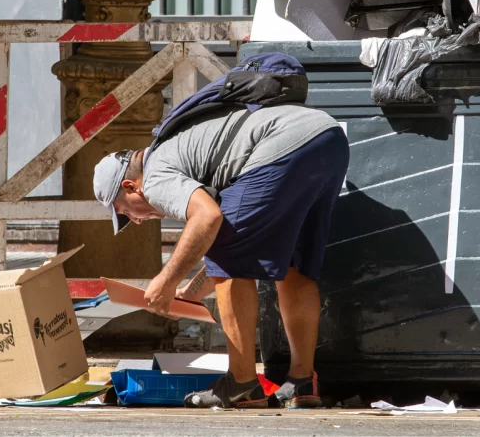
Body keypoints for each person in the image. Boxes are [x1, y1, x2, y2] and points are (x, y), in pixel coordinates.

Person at [92, 89, 349, 408]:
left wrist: (166, 279)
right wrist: (193, 289)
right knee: (294, 267)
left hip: (281, 144)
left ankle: (242, 385)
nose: (137, 220)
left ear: (131, 187)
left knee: (231, 264)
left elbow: (208, 218)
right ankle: (301, 383)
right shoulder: (177, 152)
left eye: (126, 211)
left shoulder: (155, 175)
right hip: (327, 136)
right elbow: (228, 235)